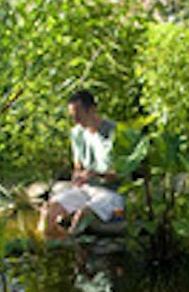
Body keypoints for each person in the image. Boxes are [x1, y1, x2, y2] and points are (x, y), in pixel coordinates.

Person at [39, 90, 126, 239]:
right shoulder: (77, 134)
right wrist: (77, 177)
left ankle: (72, 248)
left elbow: (123, 173)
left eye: (78, 115)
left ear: (92, 110)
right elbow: (78, 167)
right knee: (49, 210)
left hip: (111, 192)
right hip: (86, 189)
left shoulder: (115, 133)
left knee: (83, 216)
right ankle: (45, 249)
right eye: (72, 116)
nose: (75, 120)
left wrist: (96, 174)